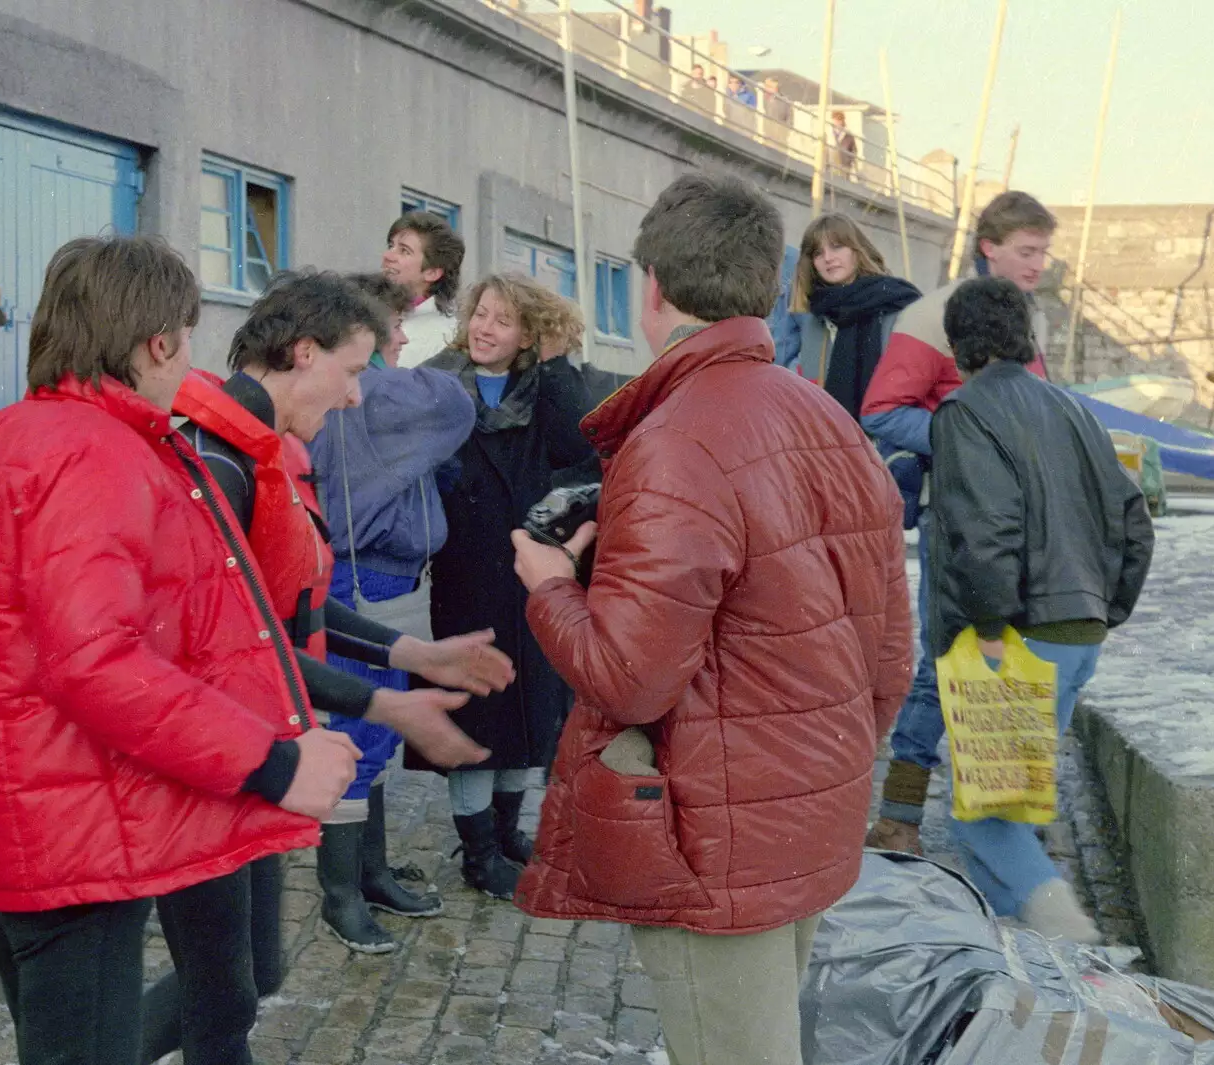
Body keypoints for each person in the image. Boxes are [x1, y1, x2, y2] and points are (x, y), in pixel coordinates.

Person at [0, 235, 364, 1065]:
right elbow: (97, 662)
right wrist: (273, 764)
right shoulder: (101, 453)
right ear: (159, 342)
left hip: (9, 834)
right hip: (75, 838)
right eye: (187, 340)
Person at [511, 171, 913, 1065]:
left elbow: (632, 674)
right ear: (767, 284)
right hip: (805, 809)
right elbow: (891, 645)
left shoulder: (676, 437)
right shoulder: (827, 417)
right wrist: (826, 760)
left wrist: (549, 583)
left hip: (714, 830)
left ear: (650, 286)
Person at [169, 271, 507, 973]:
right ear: (303, 353)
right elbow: (224, 648)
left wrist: (415, 652)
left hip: (246, 764)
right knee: (225, 988)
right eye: (354, 370)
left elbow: (289, 610)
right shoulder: (216, 460)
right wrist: (378, 699)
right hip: (210, 771)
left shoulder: (271, 449)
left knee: (253, 977)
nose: (359, 393)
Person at [929, 277, 1153, 940]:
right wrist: (1107, 610)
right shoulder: (1077, 409)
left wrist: (991, 628)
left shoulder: (966, 412)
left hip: (1017, 638)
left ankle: (1067, 932)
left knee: (982, 814)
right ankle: (1027, 976)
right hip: (1079, 631)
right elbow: (1136, 521)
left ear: (956, 345)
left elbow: (985, 527)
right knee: (1018, 800)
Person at [863, 190, 1059, 856]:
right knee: (943, 664)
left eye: (1043, 252)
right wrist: (971, 434)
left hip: (1025, 523)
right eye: (1027, 251)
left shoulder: (1034, 318)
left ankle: (1010, 819)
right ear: (990, 247)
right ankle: (899, 817)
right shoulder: (930, 316)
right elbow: (882, 412)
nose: (1038, 263)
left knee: (1017, 661)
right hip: (958, 519)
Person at [306, 273, 484, 948]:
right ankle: (341, 894)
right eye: (396, 327)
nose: (407, 337)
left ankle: (370, 872)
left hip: (385, 579)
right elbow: (453, 403)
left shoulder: (367, 385)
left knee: (373, 730)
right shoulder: (379, 389)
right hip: (362, 580)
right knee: (359, 730)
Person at [415, 273, 595, 901]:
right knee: (477, 702)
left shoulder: (540, 387)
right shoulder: (439, 382)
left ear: (527, 335)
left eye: (502, 320)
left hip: (529, 567)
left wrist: (555, 362)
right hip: (465, 570)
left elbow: (579, 441)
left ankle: (508, 830)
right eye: (480, 315)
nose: (485, 328)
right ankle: (477, 851)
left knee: (529, 702)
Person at [781, 213, 921, 420]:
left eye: (837, 247)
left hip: (884, 433)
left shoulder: (895, 303)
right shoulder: (815, 316)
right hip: (827, 433)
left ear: (856, 249)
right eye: (818, 253)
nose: (828, 258)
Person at [384, 210, 465, 368]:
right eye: (391, 246)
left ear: (432, 272)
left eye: (404, 251)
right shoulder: (367, 315)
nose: (387, 256)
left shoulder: (444, 336)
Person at [762, 76, 793, 150]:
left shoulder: (784, 101)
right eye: (766, 86)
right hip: (765, 136)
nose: (766, 89)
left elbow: (789, 118)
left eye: (770, 87)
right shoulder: (761, 98)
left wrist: (784, 133)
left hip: (779, 138)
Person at [830, 111, 858, 178]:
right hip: (832, 162)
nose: (836, 122)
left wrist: (850, 161)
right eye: (835, 120)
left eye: (838, 120)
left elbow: (854, 150)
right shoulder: (830, 132)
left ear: (842, 121)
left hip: (844, 163)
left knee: (844, 180)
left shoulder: (848, 135)